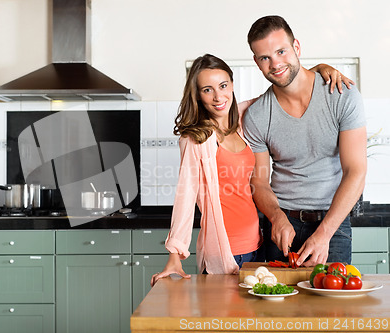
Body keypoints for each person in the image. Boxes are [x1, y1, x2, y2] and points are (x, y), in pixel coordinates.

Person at [150, 53, 351, 287]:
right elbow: (185, 196)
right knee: (227, 323)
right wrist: (175, 254)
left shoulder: (243, 120)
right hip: (225, 253)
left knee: (257, 320)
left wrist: (317, 69)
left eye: (223, 86)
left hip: (258, 246)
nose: (218, 97)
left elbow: (280, 91)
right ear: (197, 95)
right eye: (207, 90)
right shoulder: (196, 139)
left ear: (232, 85)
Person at [243, 15, 367, 267]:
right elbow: (259, 181)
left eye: (281, 51)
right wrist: (276, 217)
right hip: (282, 225)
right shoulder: (256, 116)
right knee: (278, 305)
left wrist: (324, 234)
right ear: (257, 62)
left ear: (296, 47)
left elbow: (356, 171)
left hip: (333, 222)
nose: (275, 63)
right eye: (265, 57)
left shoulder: (341, 95)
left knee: (332, 305)